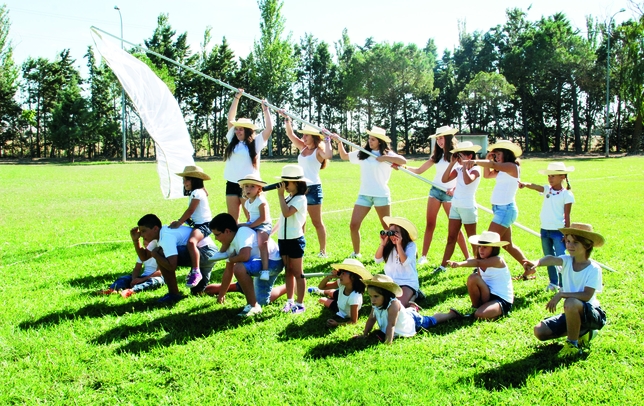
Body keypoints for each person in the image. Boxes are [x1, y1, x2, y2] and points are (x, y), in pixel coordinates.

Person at [522, 223, 606, 358]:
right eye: (567, 241)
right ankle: (583, 332)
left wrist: (561, 294)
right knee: (539, 331)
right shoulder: (566, 261)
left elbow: (586, 295)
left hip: (592, 314)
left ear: (588, 245)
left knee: (571, 302)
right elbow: (551, 259)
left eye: (575, 242)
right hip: (571, 311)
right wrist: (536, 263)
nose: (569, 245)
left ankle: (572, 345)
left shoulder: (594, 269)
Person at [330, 127, 407, 258]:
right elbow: (344, 156)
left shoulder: (387, 155)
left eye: (373, 139)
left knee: (388, 228)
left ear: (380, 141)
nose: (370, 141)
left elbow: (403, 161)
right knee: (353, 225)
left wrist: (385, 158)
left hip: (381, 195)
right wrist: (339, 142)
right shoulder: (363, 153)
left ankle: (397, 251)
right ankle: (356, 253)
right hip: (364, 195)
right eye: (369, 139)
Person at [407, 125, 469, 266]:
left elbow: (462, 174)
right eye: (438, 139)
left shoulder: (457, 155)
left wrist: (454, 188)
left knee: (455, 228)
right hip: (435, 191)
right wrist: (402, 167)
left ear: (448, 138)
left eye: (442, 138)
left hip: (450, 194)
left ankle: (467, 257)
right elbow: (419, 170)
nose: (440, 141)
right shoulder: (436, 156)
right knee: (430, 224)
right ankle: (423, 256)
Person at [204, 213, 285, 317]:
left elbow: (245, 256)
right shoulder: (230, 243)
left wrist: (231, 258)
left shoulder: (242, 232)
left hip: (273, 262)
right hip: (261, 264)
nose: (216, 238)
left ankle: (253, 305)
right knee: (263, 301)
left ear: (227, 231)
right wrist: (221, 294)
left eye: (217, 234)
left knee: (239, 268)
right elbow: (228, 271)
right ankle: (287, 287)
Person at [463, 140, 527, 267]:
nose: (496, 157)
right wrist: (487, 159)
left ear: (506, 154)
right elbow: (487, 175)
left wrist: (475, 161)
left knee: (487, 242)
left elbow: (492, 165)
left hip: (505, 210)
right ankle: (529, 267)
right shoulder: (501, 169)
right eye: (495, 155)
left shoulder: (512, 167)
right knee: (508, 245)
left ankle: (481, 269)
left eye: (498, 154)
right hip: (500, 210)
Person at [131, 214, 221, 303]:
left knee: (161, 253)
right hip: (208, 253)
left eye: (143, 231)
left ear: (155, 229)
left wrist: (156, 255)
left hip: (206, 251)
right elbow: (144, 257)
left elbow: (171, 266)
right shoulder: (159, 235)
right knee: (198, 292)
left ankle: (173, 294)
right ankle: (231, 286)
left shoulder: (166, 237)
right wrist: (136, 240)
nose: (141, 235)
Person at [281, 113, 333, 257]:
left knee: (317, 222)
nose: (304, 137)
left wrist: (328, 139)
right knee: (300, 222)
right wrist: (287, 119)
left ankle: (323, 251)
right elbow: (290, 134)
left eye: (307, 135)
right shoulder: (303, 147)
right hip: (299, 188)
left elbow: (328, 155)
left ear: (314, 137)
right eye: (303, 135)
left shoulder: (319, 151)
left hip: (313, 189)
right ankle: (299, 250)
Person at [357, 274, 464, 344]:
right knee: (408, 312)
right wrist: (364, 334)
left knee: (431, 320)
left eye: (376, 296)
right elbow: (371, 319)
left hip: (414, 322)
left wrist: (388, 342)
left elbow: (391, 324)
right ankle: (412, 307)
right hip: (404, 318)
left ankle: (451, 314)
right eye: (370, 296)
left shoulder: (393, 304)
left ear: (386, 295)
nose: (372, 300)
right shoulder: (376, 304)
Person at [518, 162, 575, 290]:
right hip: (545, 230)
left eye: (553, 176)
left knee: (561, 259)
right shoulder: (547, 190)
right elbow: (536, 187)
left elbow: (567, 216)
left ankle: (563, 284)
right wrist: (525, 184)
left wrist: (567, 234)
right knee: (548, 257)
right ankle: (553, 282)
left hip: (558, 232)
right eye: (549, 176)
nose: (550, 178)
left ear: (562, 176)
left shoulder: (567, 195)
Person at [224, 89, 273, 222]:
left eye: (241, 129)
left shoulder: (256, 143)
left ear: (248, 131)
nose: (238, 131)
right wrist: (237, 97)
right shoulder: (232, 141)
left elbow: (269, 129)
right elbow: (230, 119)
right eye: (237, 129)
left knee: (251, 219)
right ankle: (236, 242)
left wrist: (265, 110)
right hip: (232, 183)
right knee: (232, 220)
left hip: (248, 185)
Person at [447, 231, 514, 320]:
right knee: (473, 278)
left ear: (494, 249)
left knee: (479, 315)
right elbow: (479, 277)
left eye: (485, 247)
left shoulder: (498, 260)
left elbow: (477, 262)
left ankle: (490, 312)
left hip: (501, 299)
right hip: (487, 293)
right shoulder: (480, 261)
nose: (481, 250)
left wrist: (459, 264)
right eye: (479, 247)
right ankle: (476, 307)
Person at [436, 141, 482, 272]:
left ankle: (478, 266)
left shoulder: (476, 169)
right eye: (457, 156)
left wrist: (465, 167)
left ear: (470, 156)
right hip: (455, 206)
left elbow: (468, 181)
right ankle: (443, 266)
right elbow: (444, 179)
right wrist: (451, 164)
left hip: (468, 208)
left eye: (460, 156)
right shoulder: (457, 168)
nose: (458, 159)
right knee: (451, 237)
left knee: (472, 239)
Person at [170, 165, 212, 288]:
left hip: (204, 225)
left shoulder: (197, 192)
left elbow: (190, 211)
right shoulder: (198, 191)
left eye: (187, 179)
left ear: (195, 180)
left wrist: (179, 222)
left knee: (191, 242)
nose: (184, 182)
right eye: (184, 180)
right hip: (197, 222)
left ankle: (196, 271)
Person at [276, 165, 309, 314]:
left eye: (287, 183)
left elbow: (287, 213)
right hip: (283, 239)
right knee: (287, 270)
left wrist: (280, 195)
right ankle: (289, 301)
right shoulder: (289, 197)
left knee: (298, 272)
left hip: (294, 240)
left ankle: (300, 303)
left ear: (297, 183)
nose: (285, 186)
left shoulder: (300, 198)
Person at [309, 258, 371, 327]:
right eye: (340, 272)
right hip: (341, 300)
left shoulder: (354, 297)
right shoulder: (342, 283)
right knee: (330, 292)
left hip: (341, 309)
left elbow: (353, 321)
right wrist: (328, 277)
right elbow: (321, 287)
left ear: (353, 277)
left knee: (322, 300)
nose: (340, 275)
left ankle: (326, 294)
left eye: (343, 273)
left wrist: (337, 324)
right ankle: (321, 292)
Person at [375, 216, 420, 308]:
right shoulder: (389, 246)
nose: (392, 236)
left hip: (407, 282)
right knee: (383, 303)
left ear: (403, 233)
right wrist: (382, 243)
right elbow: (377, 260)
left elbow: (405, 262)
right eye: (390, 233)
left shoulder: (411, 246)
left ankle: (413, 297)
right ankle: (410, 299)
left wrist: (399, 245)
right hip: (391, 282)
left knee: (398, 305)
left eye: (396, 233)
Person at [98, 237, 164, 298]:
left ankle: (132, 290)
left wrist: (142, 280)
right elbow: (137, 269)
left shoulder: (159, 253)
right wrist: (134, 279)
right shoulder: (143, 253)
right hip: (143, 276)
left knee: (154, 282)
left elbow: (159, 272)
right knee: (125, 278)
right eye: (144, 239)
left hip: (155, 278)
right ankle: (113, 289)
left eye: (148, 241)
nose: (145, 242)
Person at [238, 174, 272, 282]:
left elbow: (263, 218)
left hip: (263, 224)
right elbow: (250, 217)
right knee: (236, 229)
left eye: (252, 186)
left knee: (262, 241)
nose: (248, 189)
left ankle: (265, 269)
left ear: (259, 189)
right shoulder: (247, 203)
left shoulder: (261, 201)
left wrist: (250, 226)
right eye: (246, 186)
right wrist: (246, 224)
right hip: (252, 223)